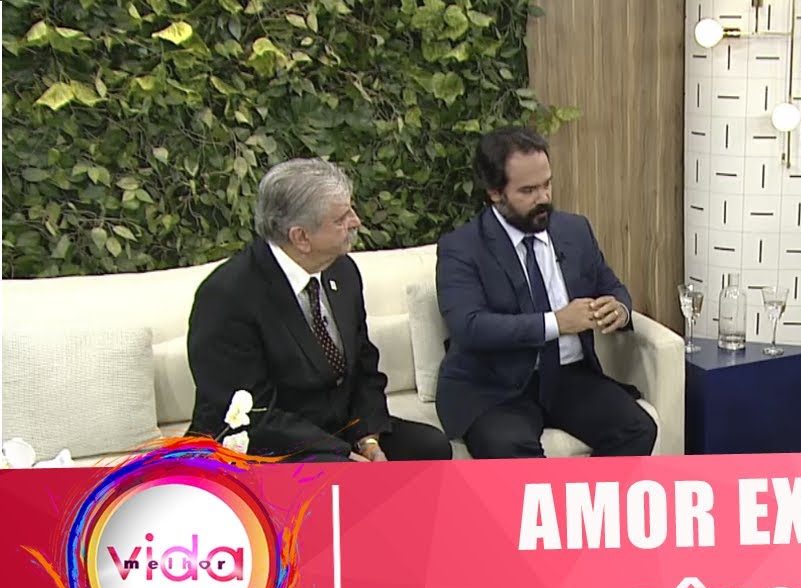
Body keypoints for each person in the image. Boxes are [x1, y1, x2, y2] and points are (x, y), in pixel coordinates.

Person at [186, 158, 452, 462]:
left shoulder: (342, 270)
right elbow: (252, 414)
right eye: (340, 219)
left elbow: (364, 366)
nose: (356, 222)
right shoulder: (226, 296)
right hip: (267, 443)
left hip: (337, 426)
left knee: (430, 447)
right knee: (344, 475)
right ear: (300, 237)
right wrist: (343, 454)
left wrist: (368, 438)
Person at [434, 126, 658, 459]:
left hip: (568, 376)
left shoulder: (575, 230)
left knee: (638, 428)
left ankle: (581, 496)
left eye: (547, 184)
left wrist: (619, 308)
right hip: (494, 388)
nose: (543, 198)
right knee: (509, 447)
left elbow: (610, 285)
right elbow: (469, 326)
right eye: (528, 190)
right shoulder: (462, 248)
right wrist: (557, 322)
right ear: (495, 193)